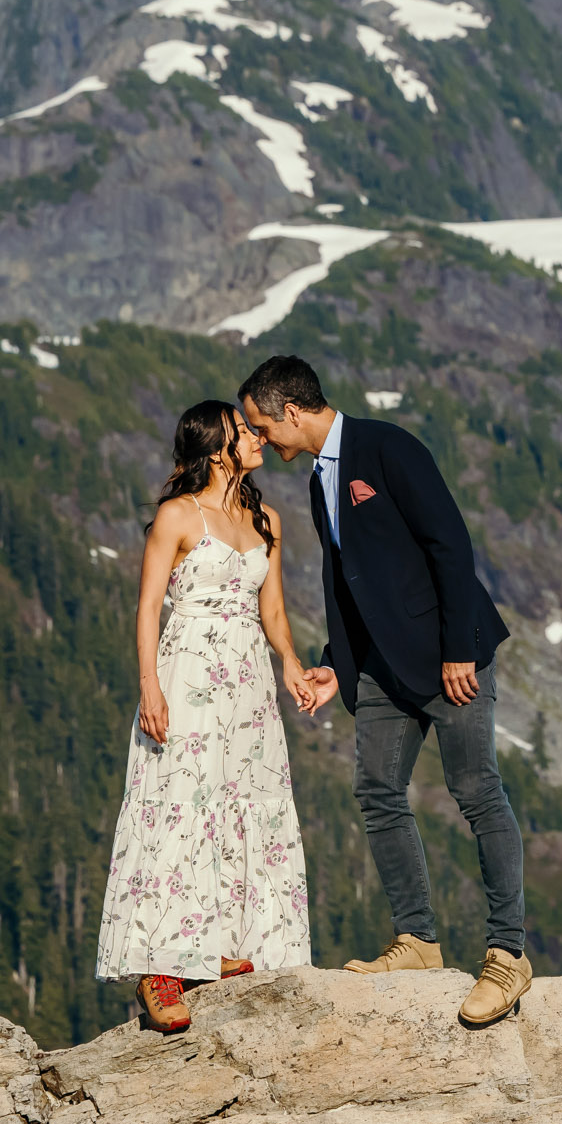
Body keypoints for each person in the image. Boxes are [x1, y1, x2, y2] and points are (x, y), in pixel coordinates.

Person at [236, 355, 530, 1027]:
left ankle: (508, 953)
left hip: (448, 656)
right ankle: (419, 940)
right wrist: (336, 664)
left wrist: (459, 648)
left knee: (477, 790)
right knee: (376, 789)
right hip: (380, 669)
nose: (261, 440)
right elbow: (350, 585)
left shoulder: (388, 447)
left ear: (292, 411)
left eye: (261, 424)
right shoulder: (318, 481)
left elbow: (450, 546)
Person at [95, 399, 323, 1032]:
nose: (256, 437)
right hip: (189, 670)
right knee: (182, 802)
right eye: (244, 430)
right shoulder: (176, 516)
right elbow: (147, 610)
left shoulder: (266, 518)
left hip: (247, 680)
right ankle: (161, 966)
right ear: (218, 446)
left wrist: (291, 663)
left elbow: (273, 611)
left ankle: (215, 944)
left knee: (244, 800)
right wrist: (150, 689)